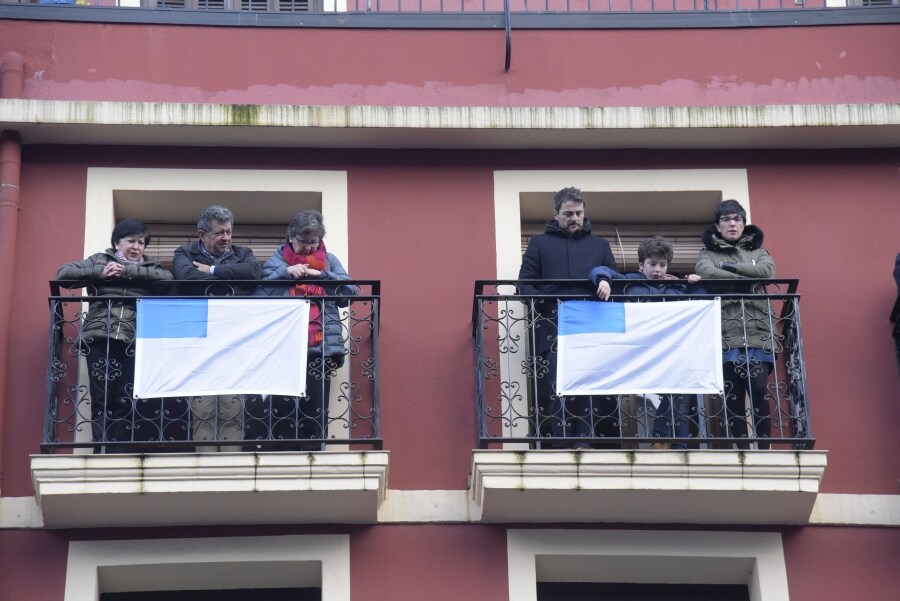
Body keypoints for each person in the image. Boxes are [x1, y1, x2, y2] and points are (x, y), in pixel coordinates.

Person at [56, 219, 174, 451]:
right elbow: (63, 273)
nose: (137, 247)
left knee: (125, 396)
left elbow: (168, 280)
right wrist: (100, 273)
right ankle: (102, 447)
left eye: (141, 242)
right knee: (102, 396)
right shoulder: (100, 259)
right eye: (131, 241)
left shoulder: (151, 266)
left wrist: (127, 271)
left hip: (135, 339)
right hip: (100, 336)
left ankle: (117, 448)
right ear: (117, 242)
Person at [249, 210, 357, 450]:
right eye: (303, 241)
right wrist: (284, 274)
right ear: (291, 238)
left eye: (313, 242)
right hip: (285, 347)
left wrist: (321, 276)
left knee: (315, 408)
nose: (308, 248)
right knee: (283, 406)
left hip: (321, 349)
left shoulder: (330, 261)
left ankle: (313, 455)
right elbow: (260, 296)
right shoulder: (277, 261)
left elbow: (350, 294)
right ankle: (282, 456)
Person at [518, 186, 618, 447]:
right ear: (556, 214)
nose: (575, 218)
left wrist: (606, 281)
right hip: (555, 322)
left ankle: (585, 440)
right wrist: (546, 304)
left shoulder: (600, 245)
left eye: (579, 213)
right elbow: (524, 285)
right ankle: (561, 441)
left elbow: (616, 280)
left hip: (592, 323)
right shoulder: (539, 243)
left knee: (589, 382)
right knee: (557, 383)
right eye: (569, 214)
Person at [590, 235, 702, 450]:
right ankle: (654, 439)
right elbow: (598, 270)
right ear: (641, 265)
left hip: (669, 350)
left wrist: (695, 284)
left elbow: (701, 303)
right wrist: (603, 279)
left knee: (680, 389)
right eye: (652, 264)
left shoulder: (677, 286)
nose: (657, 269)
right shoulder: (629, 282)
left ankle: (675, 445)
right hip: (636, 351)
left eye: (662, 264)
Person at [173, 205, 261, 452]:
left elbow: (254, 273)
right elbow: (186, 278)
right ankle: (205, 464)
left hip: (235, 336)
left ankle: (231, 466)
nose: (226, 238)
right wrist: (233, 278)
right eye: (220, 233)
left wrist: (213, 270)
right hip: (199, 337)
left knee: (233, 405)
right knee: (203, 405)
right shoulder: (184, 252)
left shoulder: (243, 253)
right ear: (202, 234)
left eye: (229, 232)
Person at [695, 199, 776, 449]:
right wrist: (745, 275)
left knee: (759, 387)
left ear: (743, 223)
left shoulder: (759, 251)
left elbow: (767, 272)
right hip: (725, 329)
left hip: (758, 328)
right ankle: (742, 451)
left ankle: (764, 449)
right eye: (727, 219)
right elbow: (705, 271)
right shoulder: (707, 253)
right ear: (717, 226)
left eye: (737, 219)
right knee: (733, 394)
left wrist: (728, 266)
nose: (732, 224)